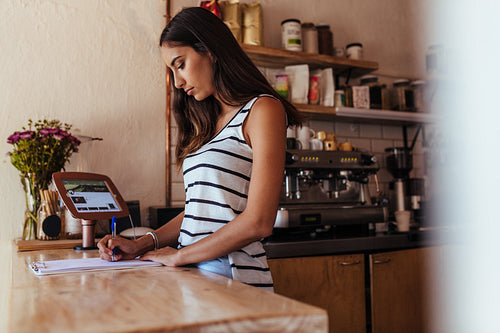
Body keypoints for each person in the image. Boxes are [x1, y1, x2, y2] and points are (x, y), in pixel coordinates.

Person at [98, 7, 303, 292]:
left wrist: (179, 255)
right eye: (172, 71)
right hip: (194, 273)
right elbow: (198, 211)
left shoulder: (263, 109)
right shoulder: (208, 124)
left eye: (180, 64)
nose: (178, 82)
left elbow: (259, 221)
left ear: (209, 49)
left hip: (233, 277)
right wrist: (140, 244)